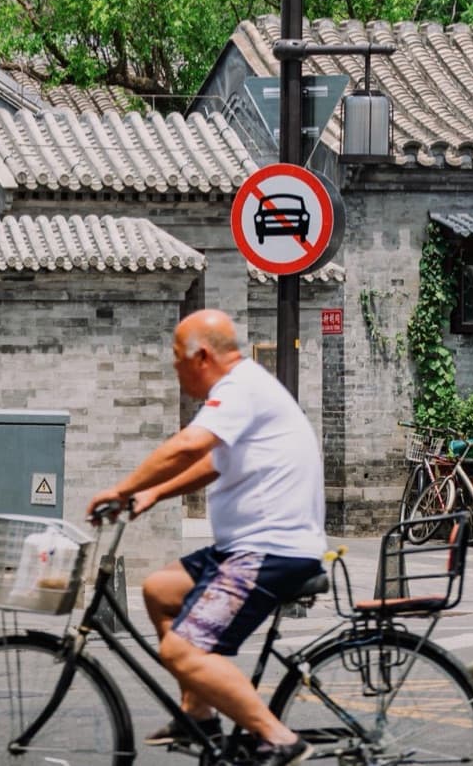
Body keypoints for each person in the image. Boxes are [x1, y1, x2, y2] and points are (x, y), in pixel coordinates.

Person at [88, 310, 325, 759]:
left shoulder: (240, 388)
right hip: (246, 547)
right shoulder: (243, 390)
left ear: (200, 356)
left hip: (269, 550)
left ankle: (280, 739)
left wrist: (121, 489)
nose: (175, 370)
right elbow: (212, 463)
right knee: (159, 590)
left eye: (176, 360)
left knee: (181, 651)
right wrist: (154, 493)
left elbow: (188, 446)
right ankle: (198, 712)